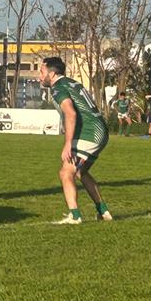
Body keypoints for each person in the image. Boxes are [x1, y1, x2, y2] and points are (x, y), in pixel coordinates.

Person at [39, 57, 112, 224]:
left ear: (52, 73)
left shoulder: (58, 88)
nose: (39, 77)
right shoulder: (72, 83)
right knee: (80, 172)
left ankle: (75, 215)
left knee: (66, 172)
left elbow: (70, 113)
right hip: (100, 130)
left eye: (42, 72)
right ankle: (103, 211)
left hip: (89, 132)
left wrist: (67, 144)